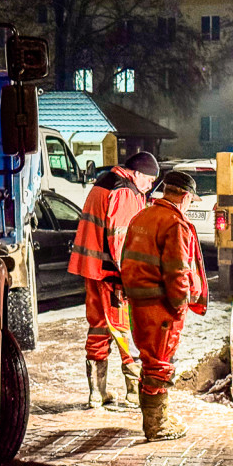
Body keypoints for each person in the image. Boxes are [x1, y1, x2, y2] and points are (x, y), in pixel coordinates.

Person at [121, 171, 208, 441]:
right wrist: (181, 303)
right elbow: (178, 271)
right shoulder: (175, 224)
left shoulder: (142, 216)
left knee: (149, 359)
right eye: (191, 201)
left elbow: (126, 256)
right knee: (159, 363)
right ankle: (157, 425)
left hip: (139, 301)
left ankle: (158, 417)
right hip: (162, 304)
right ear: (184, 196)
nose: (190, 206)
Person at [68, 151, 159, 408]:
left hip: (93, 268)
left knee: (98, 325)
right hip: (111, 273)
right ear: (137, 173)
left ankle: (96, 393)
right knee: (124, 328)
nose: (150, 186)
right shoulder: (125, 192)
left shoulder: (104, 182)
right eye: (150, 180)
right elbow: (121, 238)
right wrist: (129, 275)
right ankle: (133, 392)